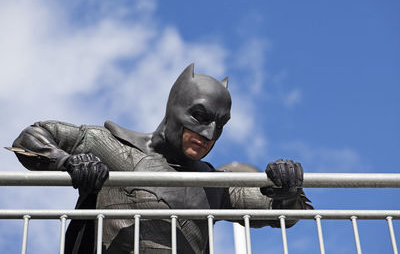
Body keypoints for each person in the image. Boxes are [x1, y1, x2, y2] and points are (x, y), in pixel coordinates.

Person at [9, 64, 312, 254]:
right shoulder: (115, 147)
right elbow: (34, 137)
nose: (208, 133)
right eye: (200, 117)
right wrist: (68, 162)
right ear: (176, 110)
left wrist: (286, 187)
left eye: (219, 124)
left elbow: (281, 212)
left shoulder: (214, 185)